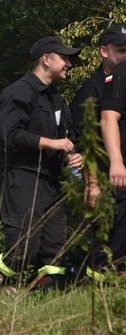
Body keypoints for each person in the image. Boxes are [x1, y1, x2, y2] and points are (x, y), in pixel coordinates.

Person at [0, 36, 83, 287]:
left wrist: (71, 155)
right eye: (64, 58)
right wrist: (52, 143)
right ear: (46, 59)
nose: (70, 63)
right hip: (24, 178)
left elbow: (66, 139)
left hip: (52, 181)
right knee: (23, 248)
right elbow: (9, 135)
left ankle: (51, 298)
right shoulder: (17, 92)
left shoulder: (56, 98)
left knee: (55, 247)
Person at [71, 24, 126, 275]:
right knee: (107, 238)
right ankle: (98, 286)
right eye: (121, 50)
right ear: (104, 51)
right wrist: (91, 183)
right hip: (105, 176)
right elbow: (85, 144)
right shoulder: (90, 92)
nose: (125, 56)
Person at [99, 24, 126, 271]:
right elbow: (108, 118)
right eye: (121, 50)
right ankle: (108, 284)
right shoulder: (120, 74)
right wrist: (117, 162)